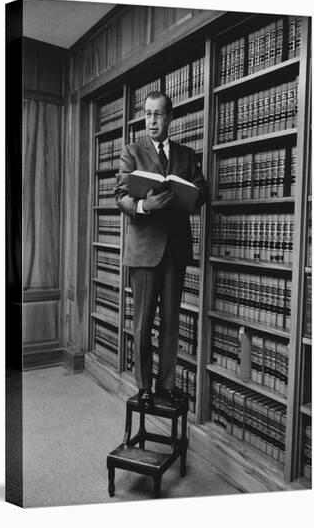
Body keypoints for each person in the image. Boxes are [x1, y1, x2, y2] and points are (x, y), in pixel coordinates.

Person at [115, 91, 209, 407]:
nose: (152, 121)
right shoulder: (132, 151)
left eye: (158, 114)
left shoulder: (186, 154)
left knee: (171, 320)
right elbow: (121, 196)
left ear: (169, 117)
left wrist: (191, 195)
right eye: (148, 114)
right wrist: (144, 204)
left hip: (176, 249)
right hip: (144, 249)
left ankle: (166, 385)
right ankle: (144, 387)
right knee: (142, 321)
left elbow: (202, 191)